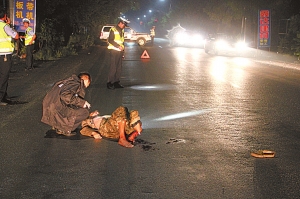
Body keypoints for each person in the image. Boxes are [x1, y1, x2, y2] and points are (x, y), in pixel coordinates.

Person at [0, 9, 19, 106]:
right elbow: (16, 36)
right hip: (4, 55)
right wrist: (10, 25)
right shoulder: (5, 26)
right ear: (5, 16)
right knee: (4, 75)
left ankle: (4, 96)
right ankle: (1, 97)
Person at [106, 19, 126, 89]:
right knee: (113, 68)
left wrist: (123, 52)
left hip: (120, 52)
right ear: (120, 23)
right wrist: (118, 46)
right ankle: (110, 83)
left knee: (119, 68)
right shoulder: (113, 29)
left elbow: (122, 41)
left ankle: (116, 82)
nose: (124, 26)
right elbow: (110, 40)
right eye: (123, 25)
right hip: (114, 51)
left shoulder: (122, 31)